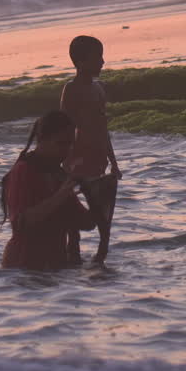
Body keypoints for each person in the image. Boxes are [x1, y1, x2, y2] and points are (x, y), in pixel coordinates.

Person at [1, 110, 97, 271]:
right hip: (22, 266)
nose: (67, 151)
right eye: (61, 144)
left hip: (55, 264)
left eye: (70, 144)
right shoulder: (23, 170)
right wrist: (59, 197)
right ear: (42, 140)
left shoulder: (58, 175)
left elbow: (86, 223)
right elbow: (20, 223)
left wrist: (96, 195)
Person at [60, 35, 122, 264]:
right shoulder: (71, 89)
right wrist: (63, 161)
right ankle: (72, 253)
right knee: (72, 215)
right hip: (75, 162)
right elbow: (64, 128)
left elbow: (103, 128)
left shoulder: (99, 89)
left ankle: (101, 255)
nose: (103, 62)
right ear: (81, 62)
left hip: (98, 161)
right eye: (98, 58)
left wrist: (113, 162)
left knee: (102, 217)